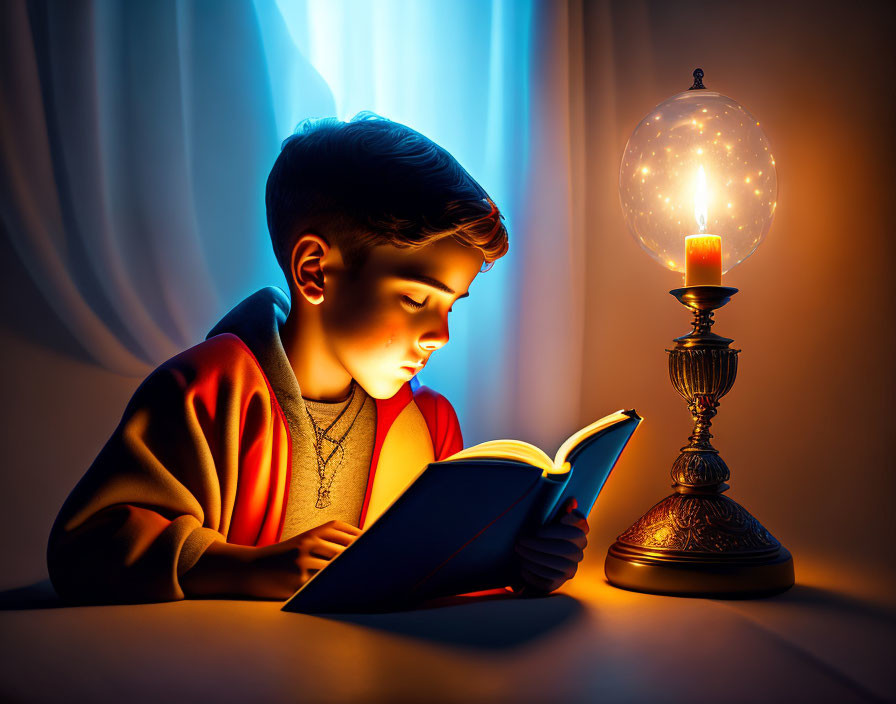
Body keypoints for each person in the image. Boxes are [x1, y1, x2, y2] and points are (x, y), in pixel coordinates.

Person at [47, 113, 589, 604]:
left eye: (451, 305)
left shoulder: (431, 426)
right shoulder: (204, 393)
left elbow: (437, 570)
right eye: (416, 299)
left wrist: (524, 563)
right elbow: (84, 547)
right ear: (314, 271)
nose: (440, 335)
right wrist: (243, 569)